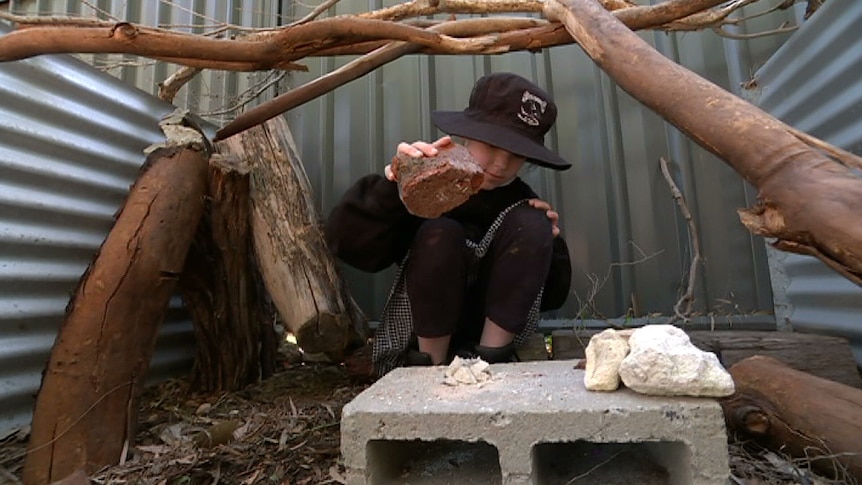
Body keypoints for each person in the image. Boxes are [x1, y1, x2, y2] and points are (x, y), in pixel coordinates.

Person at [325, 72, 572, 376]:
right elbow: (347, 241)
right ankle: (429, 367)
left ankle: (492, 361)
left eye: (516, 154)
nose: (500, 164)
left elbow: (552, 296)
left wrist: (546, 241)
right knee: (441, 232)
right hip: (418, 335)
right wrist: (399, 185)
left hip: (494, 342)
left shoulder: (521, 204)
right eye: (492, 145)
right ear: (466, 134)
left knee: (532, 223)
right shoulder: (431, 182)